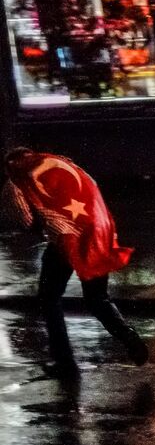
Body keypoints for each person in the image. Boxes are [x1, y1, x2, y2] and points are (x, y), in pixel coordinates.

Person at [1, 147, 146, 377]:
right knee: (97, 298)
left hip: (64, 237)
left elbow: (26, 220)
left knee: (49, 299)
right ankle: (131, 340)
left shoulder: (17, 181)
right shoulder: (60, 162)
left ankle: (65, 364)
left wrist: (42, 225)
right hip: (97, 230)